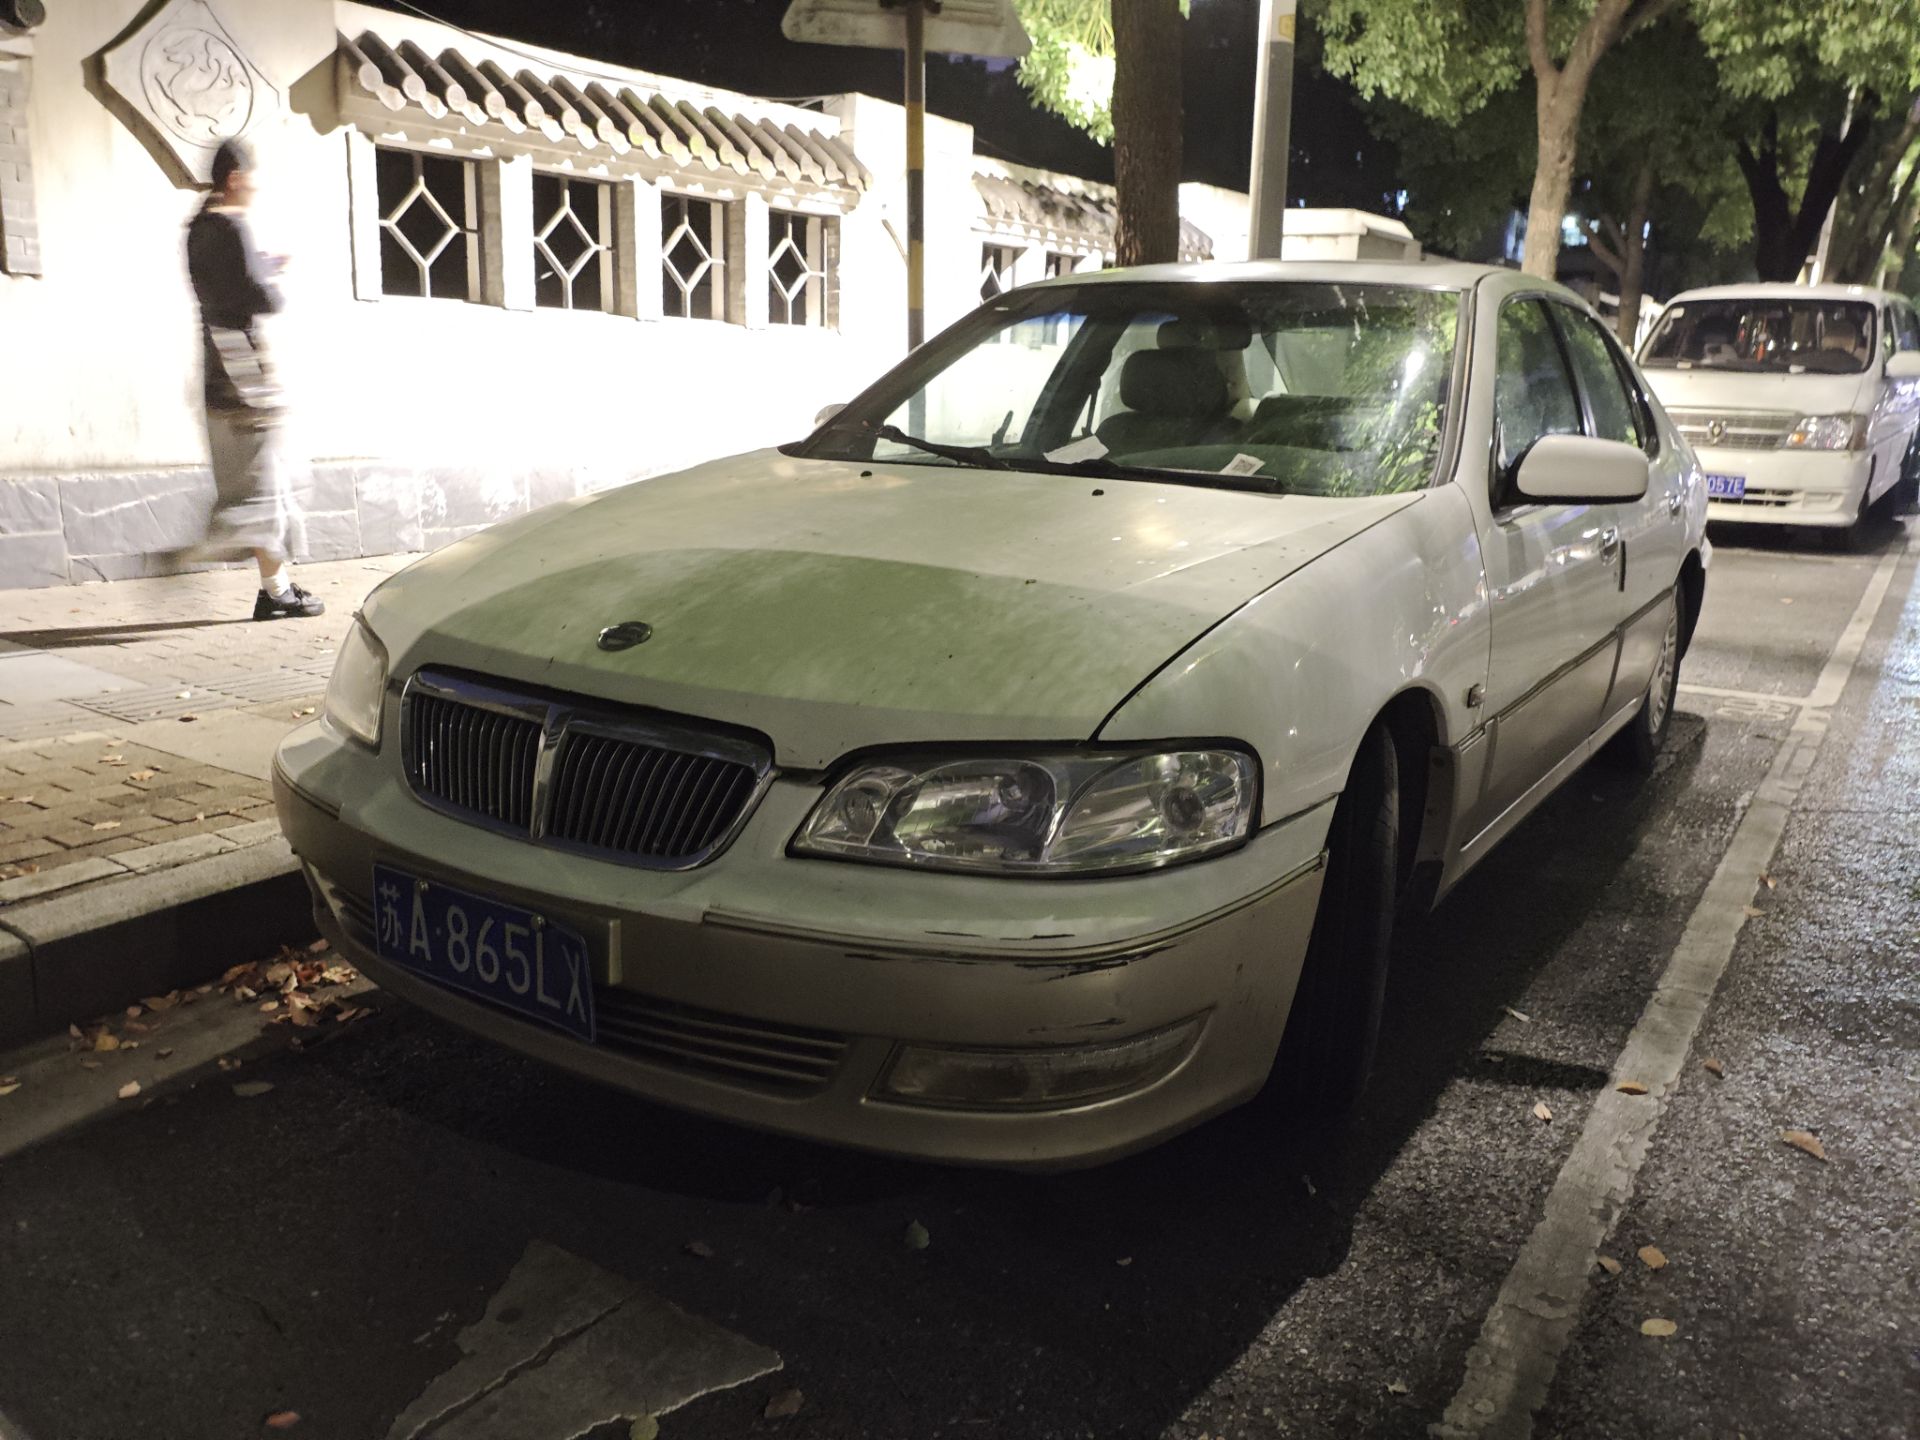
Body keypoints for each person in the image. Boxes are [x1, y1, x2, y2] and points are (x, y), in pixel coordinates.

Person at [185, 138, 324, 619]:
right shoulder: (231, 227)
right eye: (253, 181)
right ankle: (197, 551)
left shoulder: (196, 230)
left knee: (259, 484)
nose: (256, 191)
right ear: (236, 178)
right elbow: (260, 299)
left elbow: (225, 289)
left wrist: (259, 268)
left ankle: (276, 589)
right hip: (247, 377)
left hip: (216, 372)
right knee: (269, 487)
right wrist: (270, 279)